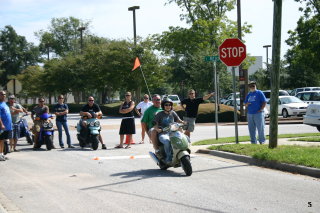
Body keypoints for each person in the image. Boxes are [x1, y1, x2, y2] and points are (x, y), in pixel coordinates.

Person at [154, 98, 184, 164]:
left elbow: (179, 120)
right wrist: (157, 129)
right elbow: (155, 124)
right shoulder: (159, 114)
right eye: (166, 105)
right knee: (167, 141)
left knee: (184, 138)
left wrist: (184, 122)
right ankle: (168, 158)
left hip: (173, 132)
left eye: (169, 105)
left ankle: (182, 153)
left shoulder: (173, 113)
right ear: (163, 106)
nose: (168, 106)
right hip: (163, 133)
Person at [0, 91, 12, 161]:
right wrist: (1, 124)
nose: (3, 95)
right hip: (2, 126)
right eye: (2, 94)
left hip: (7, 126)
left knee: (3, 140)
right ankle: (0, 154)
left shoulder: (4, 104)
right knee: (0, 140)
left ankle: (2, 154)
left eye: (4, 94)